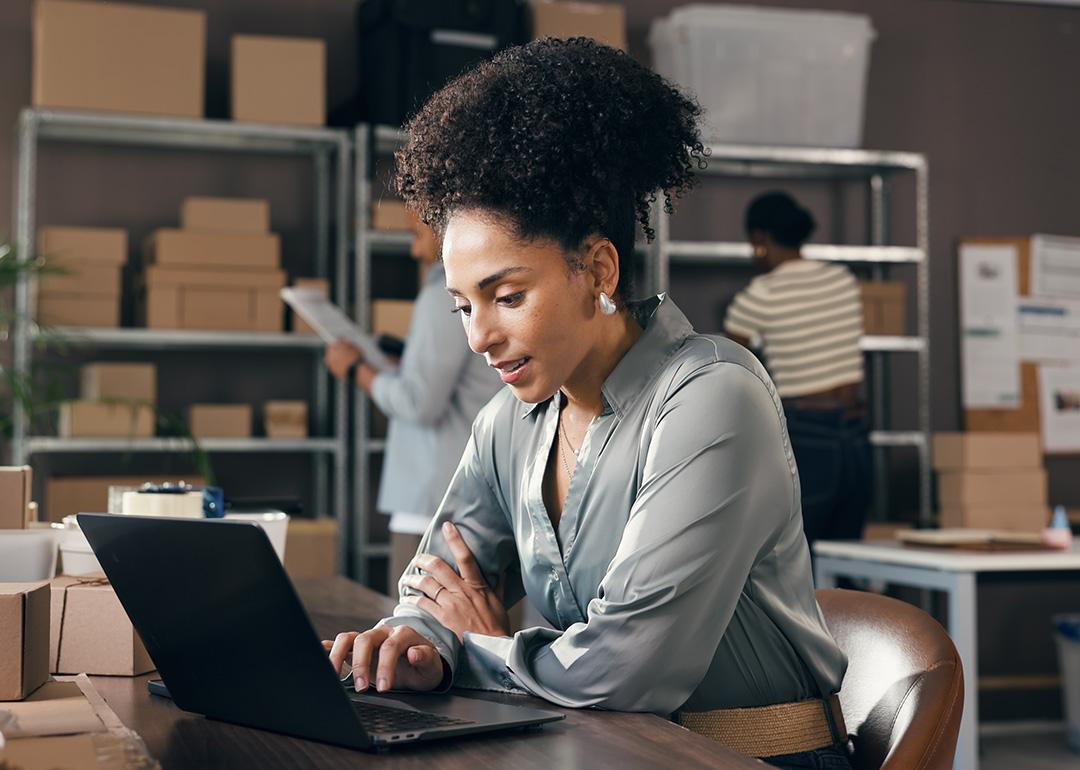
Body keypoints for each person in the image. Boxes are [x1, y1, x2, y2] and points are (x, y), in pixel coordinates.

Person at [326, 39, 852, 769]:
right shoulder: (509, 421)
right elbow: (441, 576)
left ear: (597, 270)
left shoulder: (712, 397)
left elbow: (626, 667)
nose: (480, 336)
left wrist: (477, 650)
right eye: (461, 307)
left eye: (507, 296)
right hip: (604, 752)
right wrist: (412, 639)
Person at [324, 213, 501, 591]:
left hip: (434, 504)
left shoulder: (445, 294)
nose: (410, 242)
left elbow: (419, 402)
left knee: (413, 639)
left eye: (414, 227)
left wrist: (357, 369)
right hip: (466, 499)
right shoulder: (480, 285)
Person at [724, 191, 871, 549]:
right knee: (847, 558)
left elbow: (729, 368)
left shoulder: (760, 294)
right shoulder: (843, 280)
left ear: (759, 239)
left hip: (806, 433)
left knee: (800, 558)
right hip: (856, 431)